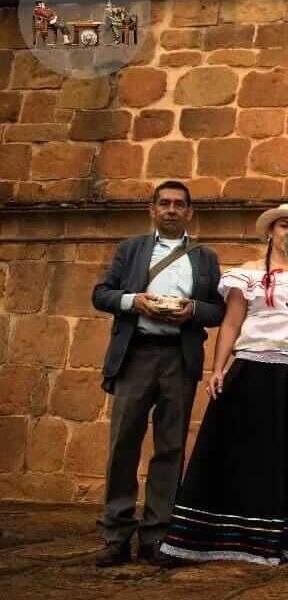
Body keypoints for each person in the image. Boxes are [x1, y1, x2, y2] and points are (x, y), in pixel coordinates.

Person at [160, 204, 288, 567]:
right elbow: (231, 324)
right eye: (282, 225)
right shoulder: (246, 276)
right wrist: (218, 368)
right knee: (246, 454)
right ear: (269, 231)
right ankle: (237, 536)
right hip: (253, 368)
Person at [91, 180, 225, 567]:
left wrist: (192, 311)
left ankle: (157, 534)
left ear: (189, 213)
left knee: (171, 448)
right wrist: (135, 302)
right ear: (152, 209)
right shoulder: (131, 249)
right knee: (123, 445)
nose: (170, 209)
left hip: (178, 360)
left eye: (178, 204)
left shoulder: (204, 258)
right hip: (136, 355)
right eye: (163, 203)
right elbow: (101, 294)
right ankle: (116, 534)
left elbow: (216, 310)